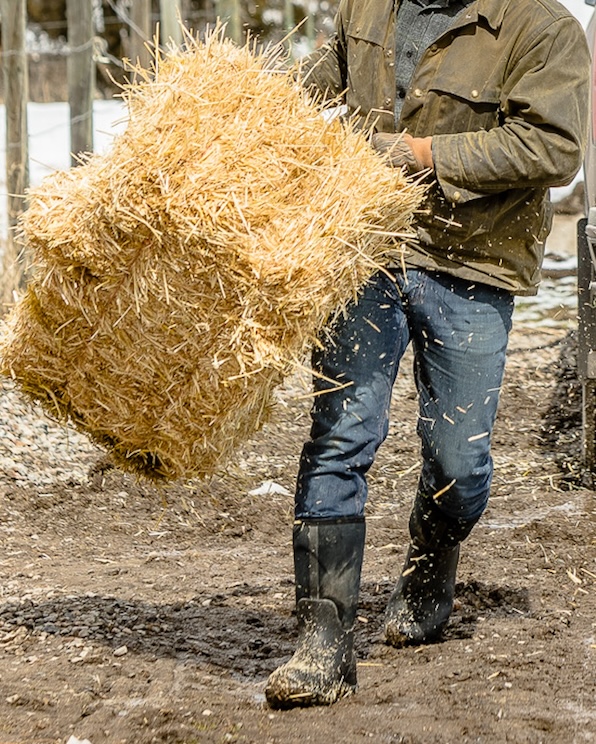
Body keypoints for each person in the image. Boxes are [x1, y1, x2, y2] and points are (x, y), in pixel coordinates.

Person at [264, 0, 591, 709]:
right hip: (366, 249)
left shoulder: (542, 26)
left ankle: (430, 562)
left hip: (474, 263)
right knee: (340, 436)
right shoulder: (362, 4)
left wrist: (423, 156)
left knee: (459, 460)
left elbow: (555, 147)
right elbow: (314, 88)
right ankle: (322, 643)